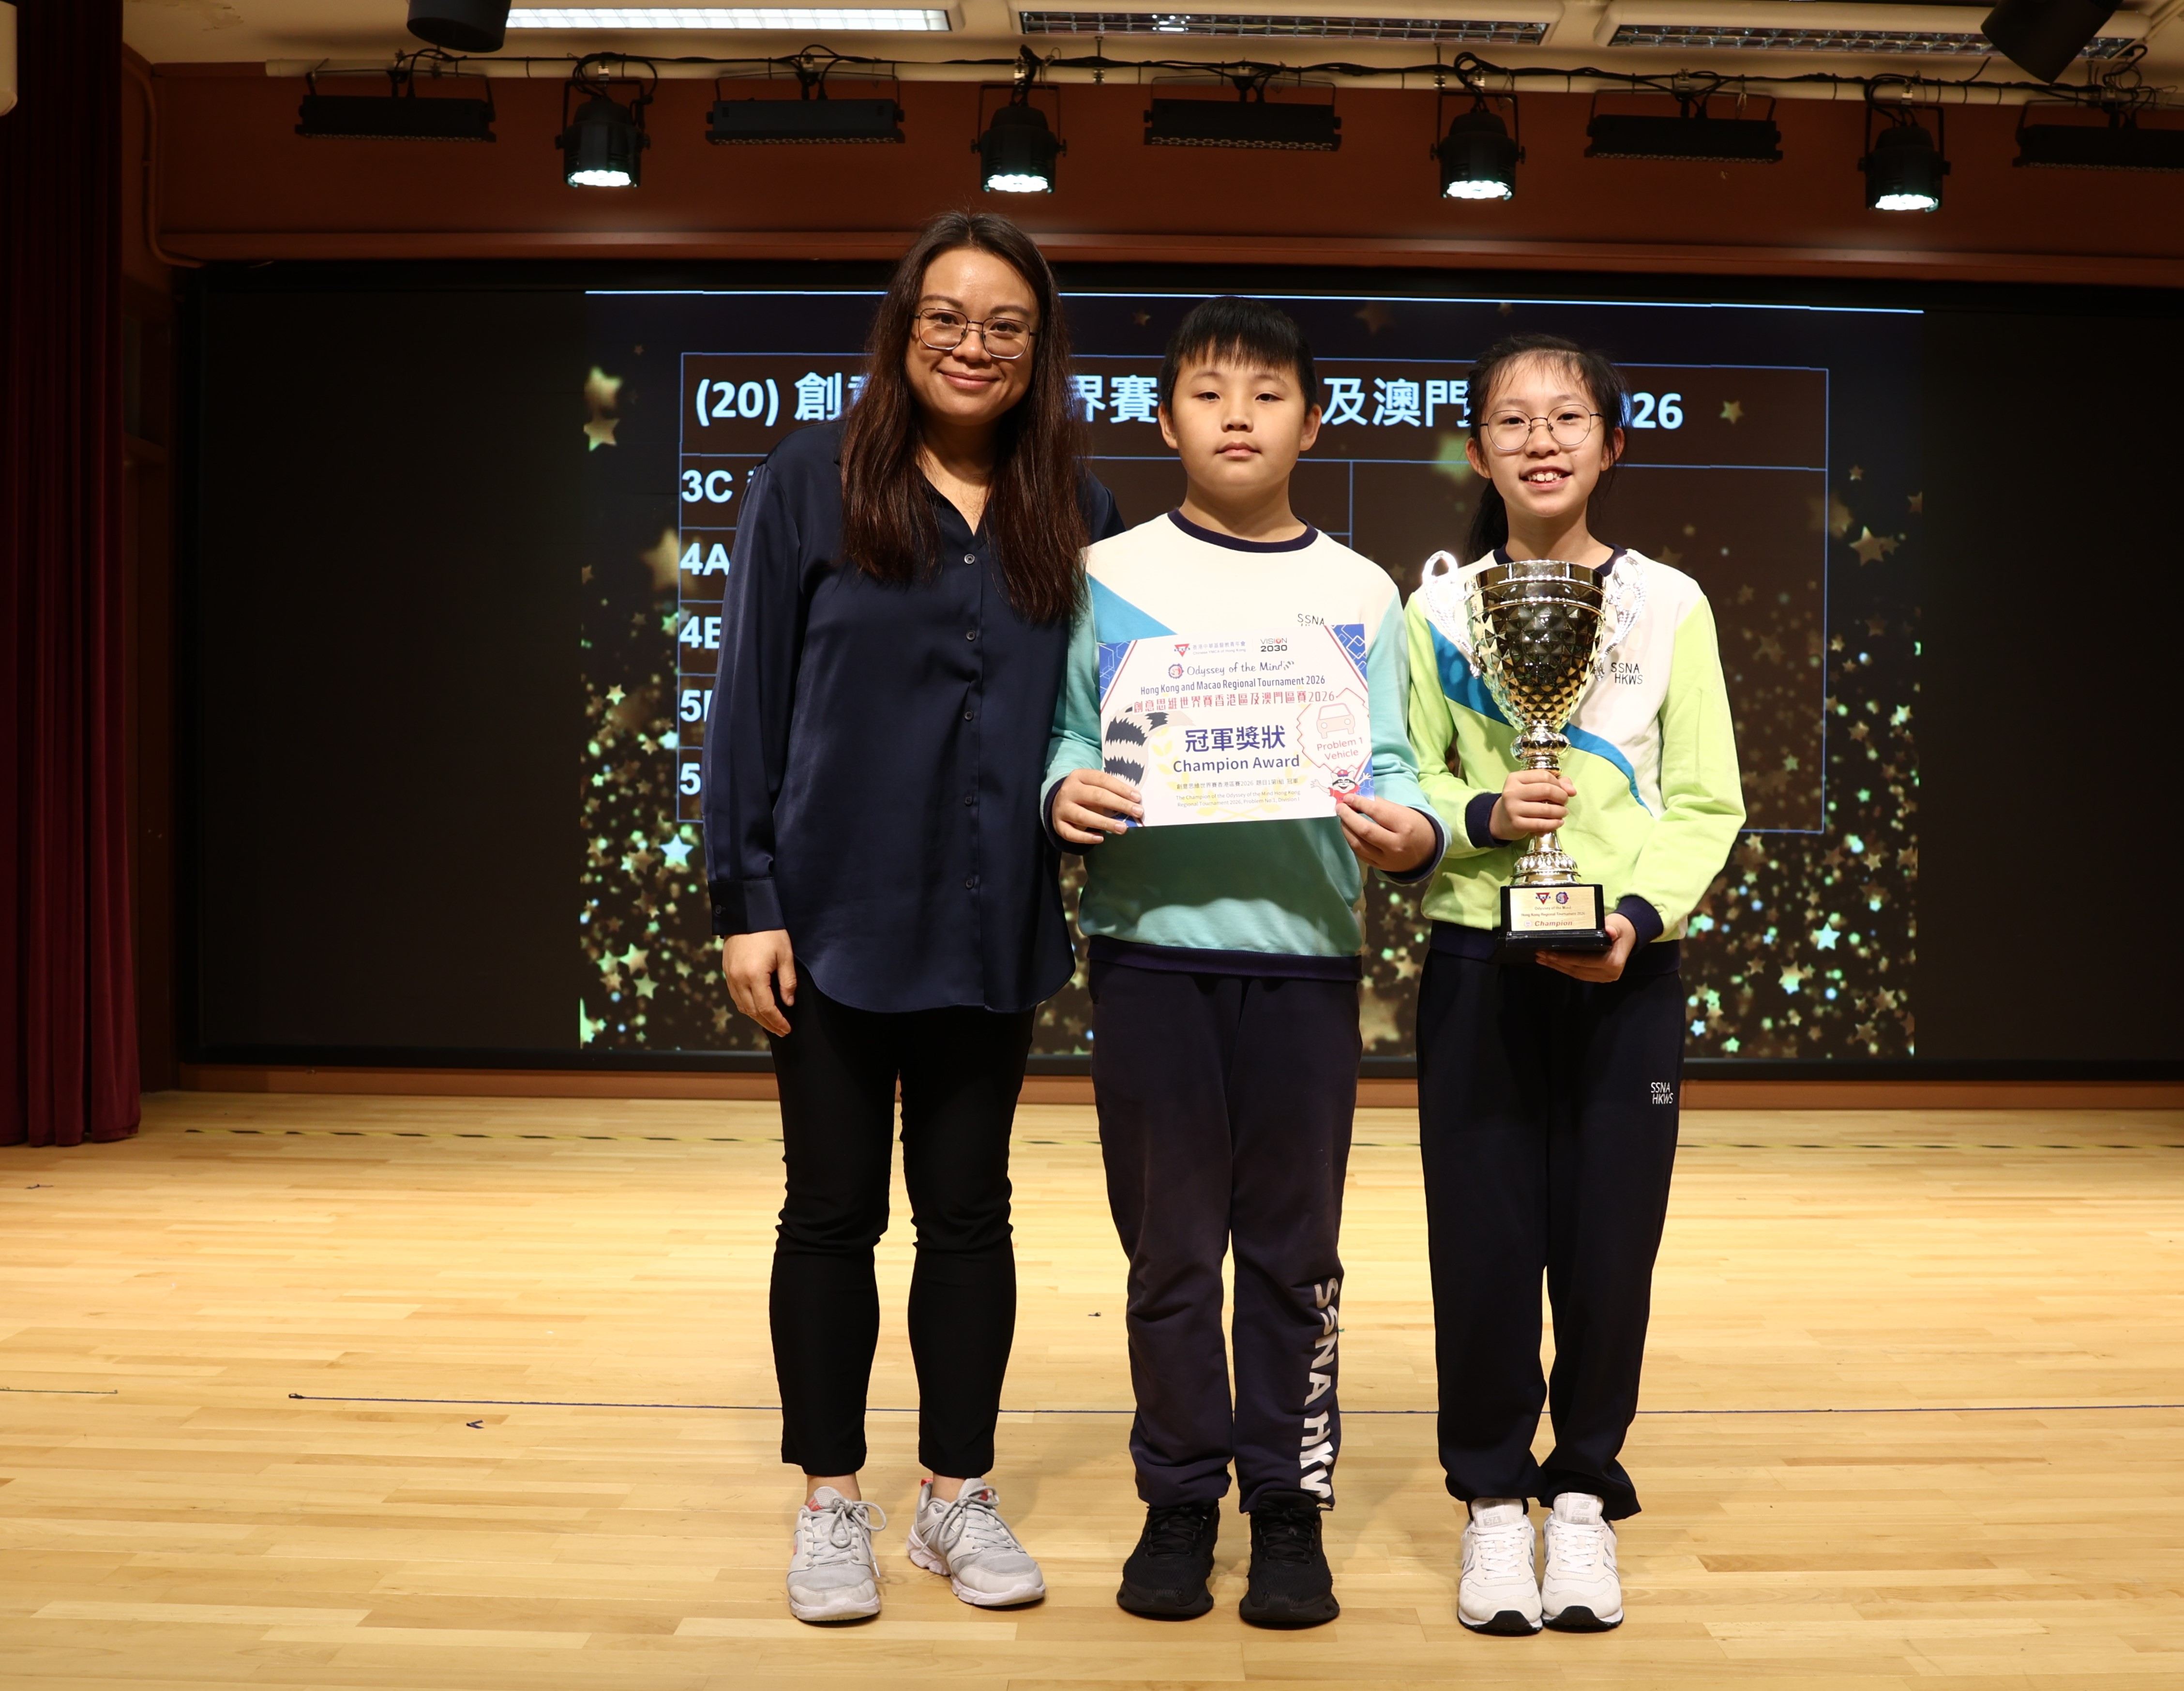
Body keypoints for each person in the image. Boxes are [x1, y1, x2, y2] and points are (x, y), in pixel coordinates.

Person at [703, 211, 1125, 1625]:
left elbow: (1096, 721)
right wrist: (746, 900)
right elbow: (748, 701)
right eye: (947, 317)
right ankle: (831, 1503)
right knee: (829, 1215)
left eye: (1005, 325)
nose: (973, 345)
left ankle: (955, 1496)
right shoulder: (806, 481)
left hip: (993, 923)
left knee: (968, 1216)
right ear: (903, 330)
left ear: (1038, 348)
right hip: (827, 923)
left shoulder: (1079, 509)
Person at [1043, 297, 1445, 1629]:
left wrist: (1407, 832)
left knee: (1292, 1255)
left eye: (1267, 395)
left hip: (1306, 965)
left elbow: (1391, 763)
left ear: (1311, 424)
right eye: (1208, 393)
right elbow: (1066, 738)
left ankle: (1285, 1503)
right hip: (1148, 959)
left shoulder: (1362, 591)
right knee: (1166, 1255)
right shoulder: (1102, 572)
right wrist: (1061, 792)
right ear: (1164, 420)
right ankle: (1177, 1498)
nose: (1237, 416)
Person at [1401, 334, 1745, 1636]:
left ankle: (1586, 1494)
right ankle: (1493, 1503)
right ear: (1477, 450)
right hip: (1474, 960)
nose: (1540, 441)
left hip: (1626, 970)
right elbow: (1410, 777)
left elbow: (1707, 801)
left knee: (1609, 1247)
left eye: (1566, 418)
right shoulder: (1436, 612)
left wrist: (1638, 920)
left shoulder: (1670, 605)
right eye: (1512, 420)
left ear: (1610, 444)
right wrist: (1488, 815)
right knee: (1483, 1245)